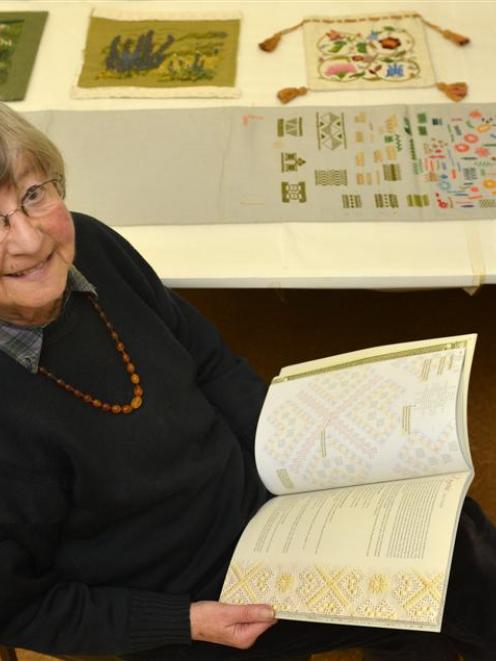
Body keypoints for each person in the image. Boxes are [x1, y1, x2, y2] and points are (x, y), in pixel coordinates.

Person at [0, 102, 494, 661]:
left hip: (261, 506)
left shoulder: (91, 245)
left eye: (34, 194)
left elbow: (208, 360)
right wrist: (183, 622)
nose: (28, 239)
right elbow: (19, 608)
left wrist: (300, 458)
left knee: (451, 539)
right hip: (179, 603)